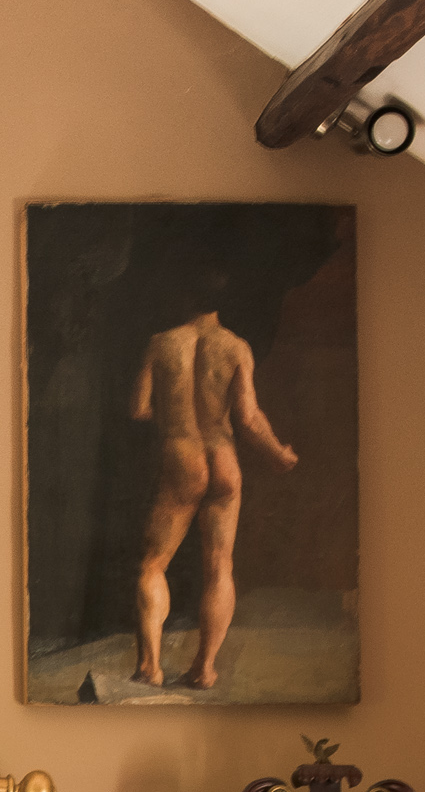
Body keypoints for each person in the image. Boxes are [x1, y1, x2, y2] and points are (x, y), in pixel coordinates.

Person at [127, 288, 300, 691]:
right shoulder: (236, 347)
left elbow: (137, 408)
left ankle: (150, 667)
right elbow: (249, 416)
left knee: (153, 564)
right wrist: (279, 453)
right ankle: (204, 669)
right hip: (224, 459)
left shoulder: (161, 344)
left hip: (182, 457)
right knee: (220, 566)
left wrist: (173, 419)